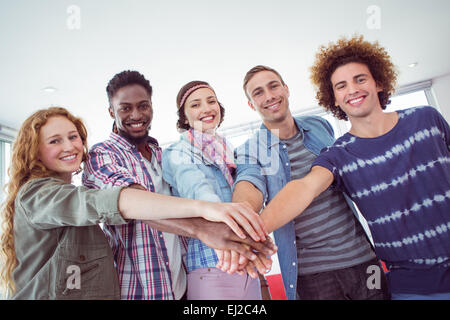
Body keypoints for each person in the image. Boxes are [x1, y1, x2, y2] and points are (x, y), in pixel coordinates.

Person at [0, 107, 266, 299]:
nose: (69, 146)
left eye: (73, 136)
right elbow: (114, 201)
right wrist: (205, 212)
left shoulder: (67, 192)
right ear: (35, 149)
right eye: (54, 141)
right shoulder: (37, 195)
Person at [259, 35, 450, 300]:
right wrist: (253, 231)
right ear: (333, 98)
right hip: (413, 287)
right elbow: (303, 188)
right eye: (341, 86)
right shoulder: (338, 156)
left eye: (360, 79)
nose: (352, 90)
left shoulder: (426, 119)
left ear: (378, 82)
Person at [82, 71, 275, 300]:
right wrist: (205, 228)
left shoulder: (159, 155)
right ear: (111, 111)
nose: (136, 114)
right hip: (142, 291)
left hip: (180, 286)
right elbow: (134, 203)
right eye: (125, 108)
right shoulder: (102, 155)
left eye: (143, 106)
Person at [230, 65, 389, 300]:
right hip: (313, 274)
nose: (270, 96)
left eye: (274, 86)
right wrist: (242, 217)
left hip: (364, 259)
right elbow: (248, 183)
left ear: (286, 89)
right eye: (258, 92)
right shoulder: (249, 150)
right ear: (251, 104)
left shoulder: (318, 125)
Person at [162, 80, 270, 300]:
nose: (206, 108)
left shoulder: (229, 150)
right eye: (195, 104)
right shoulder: (177, 151)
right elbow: (199, 192)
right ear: (184, 117)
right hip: (210, 263)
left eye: (211, 101)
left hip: (245, 259)